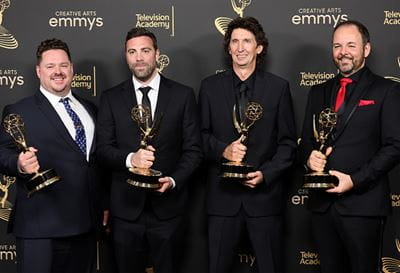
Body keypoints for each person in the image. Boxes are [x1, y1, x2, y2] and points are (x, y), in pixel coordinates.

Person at [96, 27, 202, 273]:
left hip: (168, 210)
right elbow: (102, 150)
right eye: (132, 52)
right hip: (126, 212)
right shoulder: (111, 98)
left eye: (145, 50)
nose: (139, 57)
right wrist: (130, 159)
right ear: (126, 56)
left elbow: (193, 150)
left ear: (157, 54)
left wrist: (174, 180)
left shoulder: (183, 95)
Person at [300, 20, 400, 273]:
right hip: (322, 206)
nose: (343, 51)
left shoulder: (387, 90)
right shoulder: (318, 92)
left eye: (350, 45)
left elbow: (394, 146)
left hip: (363, 205)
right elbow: (306, 142)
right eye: (337, 46)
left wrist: (354, 180)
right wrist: (310, 159)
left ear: (366, 49)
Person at [199, 17, 297, 273]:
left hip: (264, 200)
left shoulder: (278, 88)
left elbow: (287, 143)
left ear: (259, 47)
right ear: (228, 48)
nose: (240, 47)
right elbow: (199, 137)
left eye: (247, 41)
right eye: (235, 42)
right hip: (222, 200)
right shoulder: (209, 87)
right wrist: (223, 150)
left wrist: (266, 174)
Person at [0, 39, 100, 273]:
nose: (58, 72)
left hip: (84, 226)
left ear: (72, 68)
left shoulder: (90, 109)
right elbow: (2, 152)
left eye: (63, 65)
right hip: (41, 228)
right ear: (38, 71)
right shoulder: (19, 111)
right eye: (50, 66)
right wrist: (19, 163)